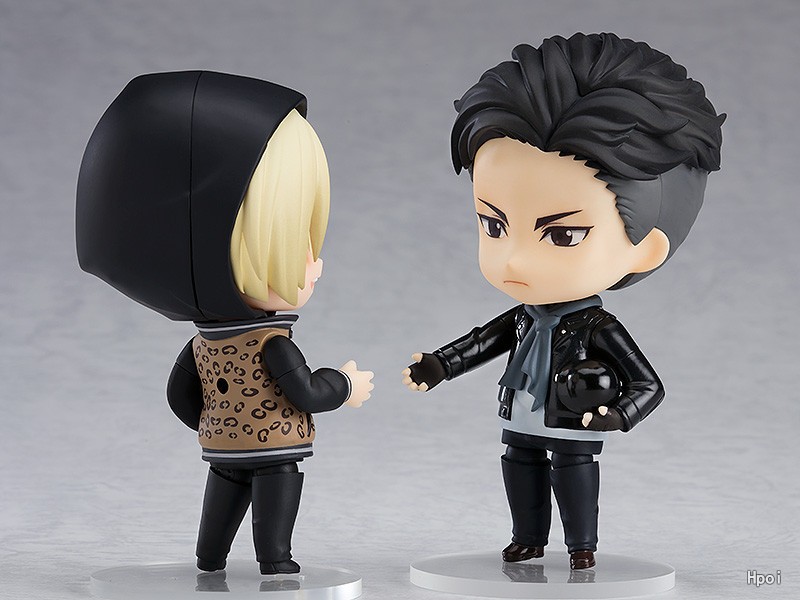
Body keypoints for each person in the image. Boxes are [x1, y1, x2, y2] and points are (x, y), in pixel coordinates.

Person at [402, 33, 724, 570]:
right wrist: (440, 364)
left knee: (573, 475)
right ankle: (527, 538)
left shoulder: (597, 327)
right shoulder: (524, 318)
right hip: (523, 413)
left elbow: (649, 384)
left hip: (575, 418)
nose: (515, 260)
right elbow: (483, 342)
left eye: (562, 235)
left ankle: (581, 546)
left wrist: (618, 415)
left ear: (646, 248)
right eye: (494, 225)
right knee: (519, 467)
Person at [77, 71, 373, 575]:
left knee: (224, 490)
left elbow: (179, 397)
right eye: (300, 241)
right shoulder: (273, 345)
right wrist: (345, 383)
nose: (317, 262)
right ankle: (275, 560)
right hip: (274, 448)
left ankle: (209, 556)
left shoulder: (203, 346)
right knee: (277, 488)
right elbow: (306, 393)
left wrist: (220, 424)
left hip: (222, 448)